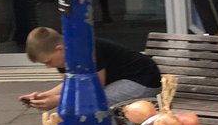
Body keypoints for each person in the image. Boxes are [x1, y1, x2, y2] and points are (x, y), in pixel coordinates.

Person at [19, 26, 161, 111]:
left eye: (48, 61)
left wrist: (58, 100)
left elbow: (95, 89)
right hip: (119, 80)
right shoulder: (62, 58)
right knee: (83, 103)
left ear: (60, 49)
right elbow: (71, 85)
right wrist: (45, 95)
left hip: (143, 80)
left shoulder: (87, 51)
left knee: (96, 104)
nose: (48, 66)